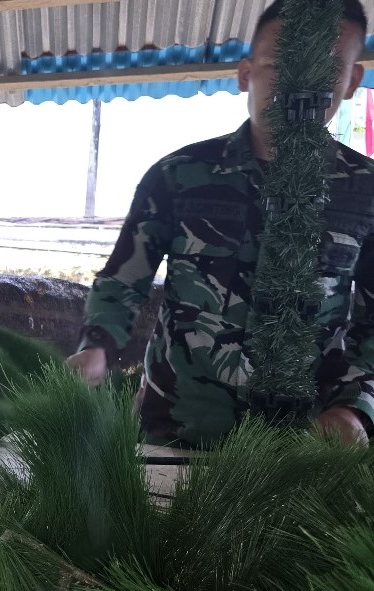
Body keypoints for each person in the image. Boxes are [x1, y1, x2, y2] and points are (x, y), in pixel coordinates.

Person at [66, 0, 374, 447]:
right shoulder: (177, 174)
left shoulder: (366, 190)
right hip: (174, 429)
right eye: (280, 65)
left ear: (352, 82)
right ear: (246, 73)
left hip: (305, 443)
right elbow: (123, 280)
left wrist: (356, 407)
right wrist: (96, 346)